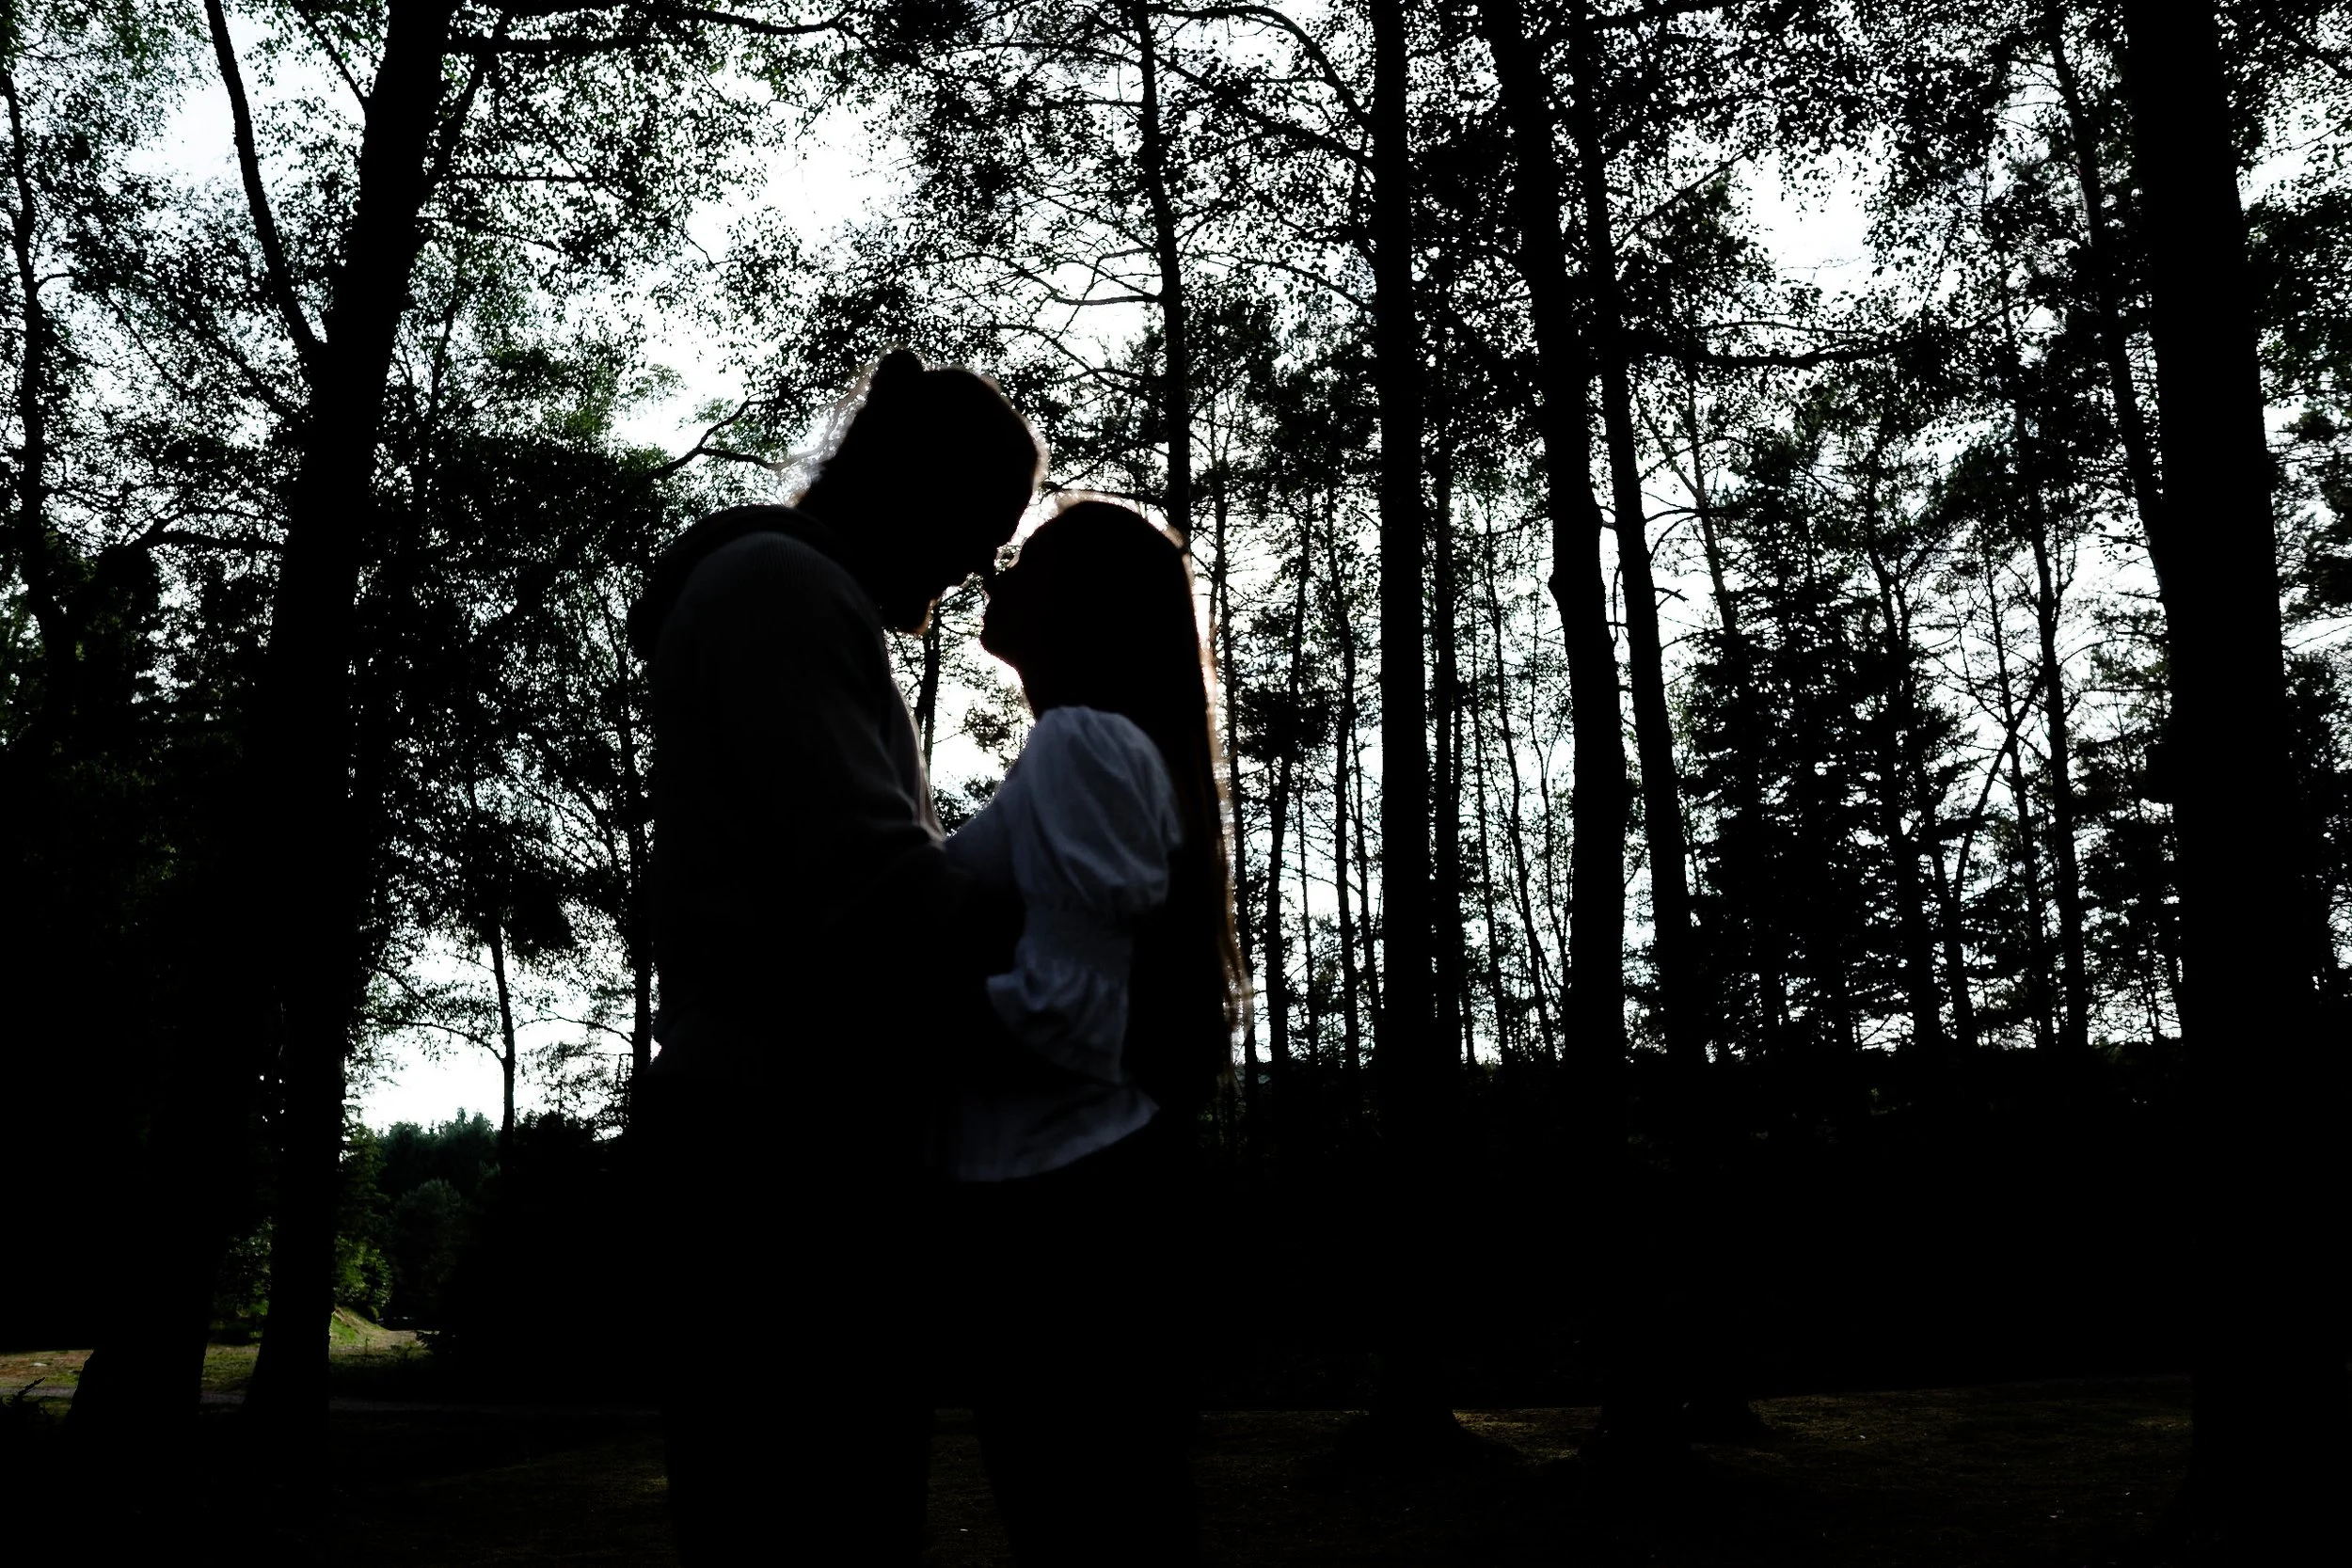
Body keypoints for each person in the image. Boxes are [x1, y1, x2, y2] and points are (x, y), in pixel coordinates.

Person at [626, 348, 1045, 1565]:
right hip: (785, 1162)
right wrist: (1068, 919)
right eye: (977, 531)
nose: (971, 571)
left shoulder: (787, 592)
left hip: (784, 1141)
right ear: (917, 489)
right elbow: (875, 889)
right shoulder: (782, 590)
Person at [938, 499, 1244, 1567]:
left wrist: (883, 1015)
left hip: (1065, 1224)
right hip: (1088, 1206)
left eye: (1026, 559)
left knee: (1086, 1526)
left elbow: (1067, 1009)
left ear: (1081, 605)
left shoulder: (1081, 739)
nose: (997, 572)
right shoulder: (1100, 747)